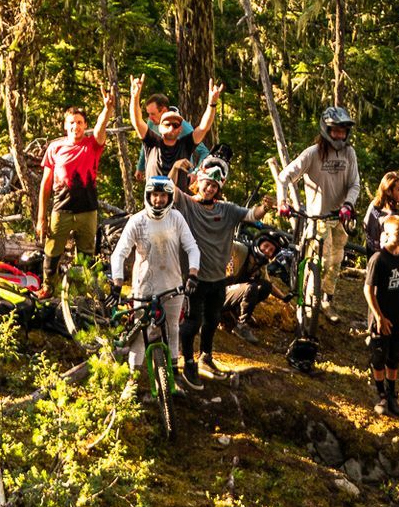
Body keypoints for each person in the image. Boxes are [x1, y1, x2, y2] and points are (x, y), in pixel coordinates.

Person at [169, 158, 266, 379]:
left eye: (215, 186)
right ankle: (188, 362)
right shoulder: (187, 204)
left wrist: (265, 207)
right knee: (192, 322)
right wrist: (175, 168)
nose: (210, 188)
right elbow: (169, 188)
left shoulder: (227, 209)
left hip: (218, 277)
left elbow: (252, 214)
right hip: (193, 277)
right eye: (207, 184)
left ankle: (206, 357)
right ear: (199, 182)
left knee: (212, 320)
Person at [276, 106, 361, 319]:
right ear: (326, 129)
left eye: (343, 131)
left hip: (340, 217)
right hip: (317, 218)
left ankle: (326, 300)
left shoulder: (349, 153)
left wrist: (348, 205)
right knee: (321, 262)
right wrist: (283, 201)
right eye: (336, 131)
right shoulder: (312, 153)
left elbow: (355, 184)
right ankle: (309, 303)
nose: (340, 135)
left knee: (336, 262)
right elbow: (284, 177)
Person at [109, 174, 200, 374]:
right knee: (141, 335)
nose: (158, 199)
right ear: (148, 196)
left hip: (173, 285)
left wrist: (193, 274)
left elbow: (192, 247)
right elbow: (119, 253)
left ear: (169, 198)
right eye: (154, 195)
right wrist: (117, 283)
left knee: (173, 329)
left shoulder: (176, 218)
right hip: (143, 286)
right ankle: (133, 380)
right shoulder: (137, 220)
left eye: (163, 196)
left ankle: (173, 376)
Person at [36, 89, 115, 297]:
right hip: (61, 209)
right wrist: (41, 217)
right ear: (65, 125)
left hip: (87, 210)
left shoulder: (93, 145)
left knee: (86, 254)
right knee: (52, 252)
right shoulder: (55, 148)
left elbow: (100, 128)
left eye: (79, 122)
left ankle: (80, 293)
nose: (75, 126)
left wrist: (107, 109)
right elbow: (45, 184)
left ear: (85, 126)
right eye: (71, 122)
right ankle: (48, 288)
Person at [364, 215, 399, 416]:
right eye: (398, 234)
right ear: (385, 234)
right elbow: (368, 290)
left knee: (395, 356)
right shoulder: (378, 259)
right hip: (381, 317)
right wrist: (379, 316)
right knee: (379, 355)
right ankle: (380, 395)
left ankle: (392, 392)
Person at [130, 76, 220, 191]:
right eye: (167, 124)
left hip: (178, 201)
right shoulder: (152, 142)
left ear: (180, 129)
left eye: (175, 125)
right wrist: (135, 97)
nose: (171, 127)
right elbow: (137, 121)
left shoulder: (185, 144)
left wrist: (212, 104)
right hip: (154, 201)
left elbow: (203, 128)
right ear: (160, 127)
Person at [223, 230, 285, 345]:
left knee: (265, 286)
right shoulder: (241, 250)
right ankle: (241, 326)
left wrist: (284, 297)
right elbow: (224, 243)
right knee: (250, 287)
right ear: (259, 243)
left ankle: (236, 313)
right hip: (217, 294)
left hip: (231, 294)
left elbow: (269, 285)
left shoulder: (260, 266)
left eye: (271, 250)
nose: (267, 251)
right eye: (266, 246)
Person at [362, 171, 399, 256]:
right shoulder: (391, 217)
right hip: (385, 262)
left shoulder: (374, 204)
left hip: (372, 257)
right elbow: (393, 246)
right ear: (388, 191)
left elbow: (365, 226)